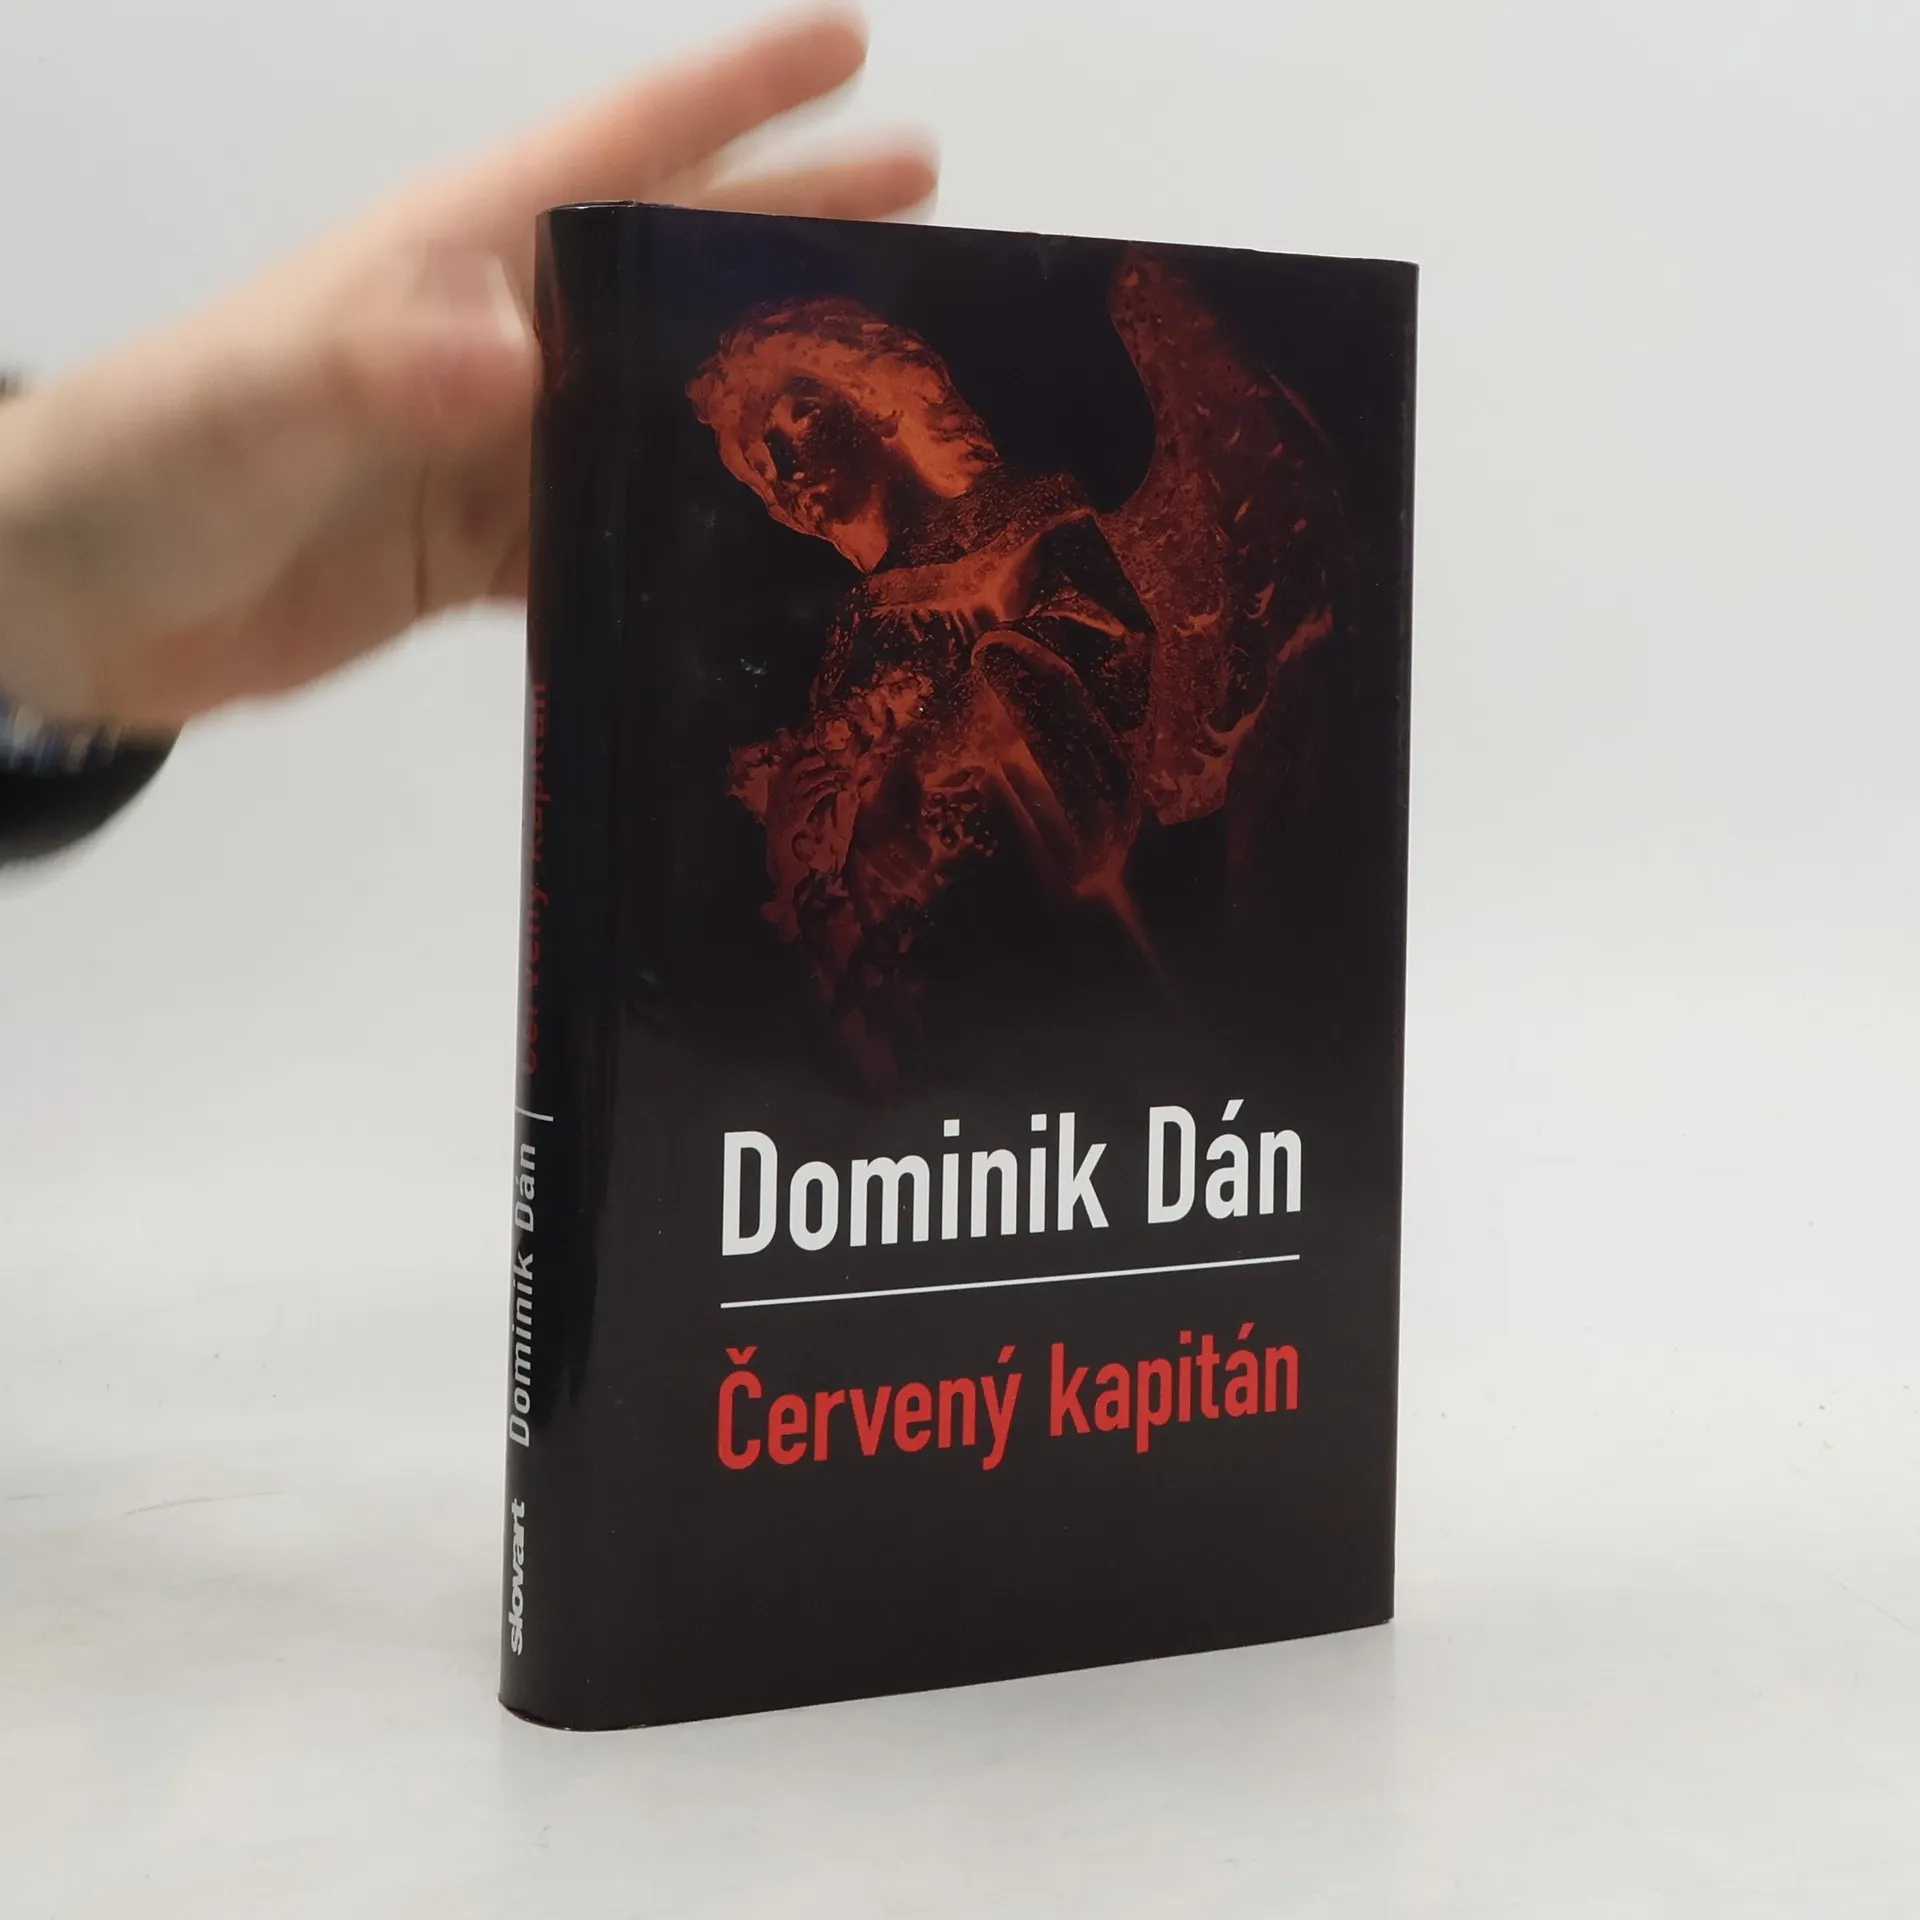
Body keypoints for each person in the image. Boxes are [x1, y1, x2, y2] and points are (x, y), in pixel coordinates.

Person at [0, 7, 936, 866]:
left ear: (882, 407)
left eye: (797, 424)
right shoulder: (840, 646)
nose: (779, 471)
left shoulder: (994, 564)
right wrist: (43, 578)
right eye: (759, 460)